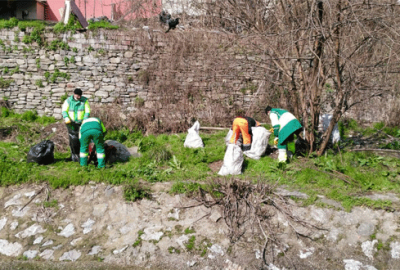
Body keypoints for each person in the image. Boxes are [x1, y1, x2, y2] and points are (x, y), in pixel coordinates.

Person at [61, 88, 91, 162]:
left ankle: (83, 155)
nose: (79, 97)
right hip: (71, 123)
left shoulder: (84, 100)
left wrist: (85, 120)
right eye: (78, 96)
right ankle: (74, 156)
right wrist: (66, 118)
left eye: (80, 96)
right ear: (74, 94)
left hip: (81, 123)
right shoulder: (68, 101)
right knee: (72, 140)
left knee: (82, 139)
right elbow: (64, 110)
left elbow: (87, 111)